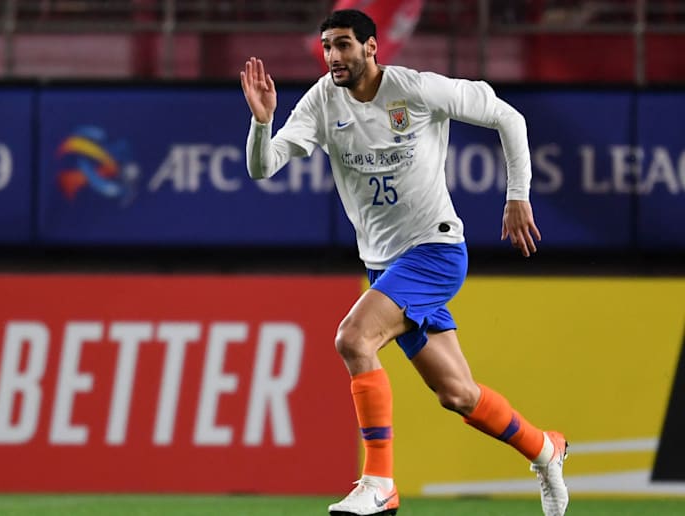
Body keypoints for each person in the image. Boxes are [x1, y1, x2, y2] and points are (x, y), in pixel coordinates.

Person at [239, 8, 568, 516]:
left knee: (353, 338)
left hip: (434, 250)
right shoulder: (323, 102)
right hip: (384, 265)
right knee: (458, 394)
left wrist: (517, 196)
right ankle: (545, 450)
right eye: (327, 46)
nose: (333, 56)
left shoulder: (414, 90)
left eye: (344, 45)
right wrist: (263, 124)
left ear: (372, 48)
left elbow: (509, 116)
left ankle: (379, 481)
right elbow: (263, 168)